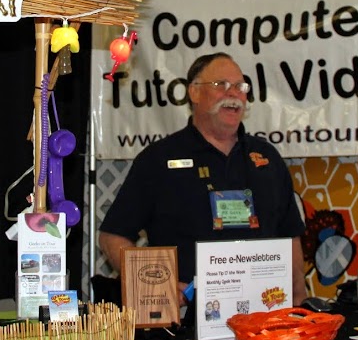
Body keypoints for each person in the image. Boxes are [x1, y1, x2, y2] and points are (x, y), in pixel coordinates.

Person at [99, 52, 308, 307]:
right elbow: (112, 236)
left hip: (265, 314)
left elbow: (290, 236)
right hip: (187, 319)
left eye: (240, 86)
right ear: (194, 93)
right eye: (222, 85)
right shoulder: (158, 160)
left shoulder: (267, 158)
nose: (234, 94)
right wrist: (153, 284)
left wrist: (299, 301)